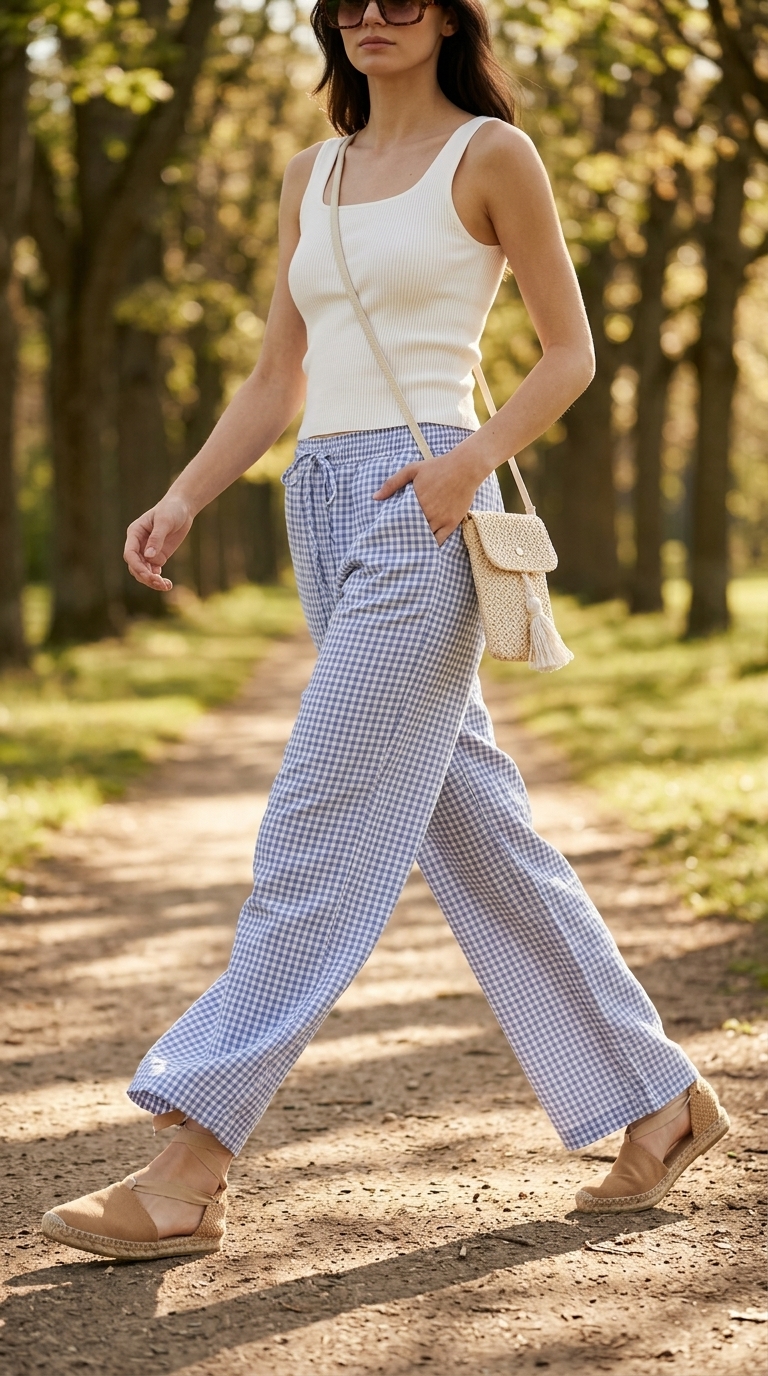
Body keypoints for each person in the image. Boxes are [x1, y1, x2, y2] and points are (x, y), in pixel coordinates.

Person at [42, 0, 728, 1263]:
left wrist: (468, 465)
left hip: (428, 501)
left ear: (450, 14)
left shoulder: (491, 155)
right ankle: (660, 1096)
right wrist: (184, 497)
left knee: (320, 818)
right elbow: (277, 376)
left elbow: (568, 353)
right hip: (320, 499)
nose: (371, 14)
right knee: (477, 829)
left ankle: (191, 1158)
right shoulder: (312, 172)